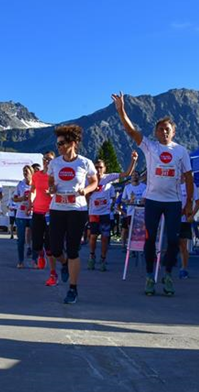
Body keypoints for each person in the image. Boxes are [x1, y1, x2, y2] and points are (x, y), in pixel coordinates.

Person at [113, 92, 193, 296]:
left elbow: (189, 178)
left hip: (174, 202)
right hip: (153, 201)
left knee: (174, 241)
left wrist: (189, 203)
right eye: (160, 129)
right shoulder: (150, 147)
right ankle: (150, 276)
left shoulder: (181, 151)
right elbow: (131, 131)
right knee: (150, 240)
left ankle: (167, 275)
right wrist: (121, 109)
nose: (164, 132)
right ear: (156, 133)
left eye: (167, 129)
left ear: (173, 132)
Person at [47, 125, 98, 304]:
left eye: (62, 143)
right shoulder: (54, 163)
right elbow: (51, 182)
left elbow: (94, 182)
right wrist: (51, 188)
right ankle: (64, 263)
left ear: (73, 143)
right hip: (57, 208)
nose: (59, 146)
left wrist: (86, 190)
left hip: (77, 210)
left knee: (74, 249)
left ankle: (73, 289)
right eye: (58, 143)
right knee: (54, 249)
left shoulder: (84, 163)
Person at [87, 152, 137, 271]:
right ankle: (92, 256)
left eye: (101, 167)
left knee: (105, 237)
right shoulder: (89, 179)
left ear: (105, 169)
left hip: (105, 214)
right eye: (96, 167)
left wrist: (133, 160)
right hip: (93, 213)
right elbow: (85, 194)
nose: (98, 169)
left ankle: (103, 259)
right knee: (93, 237)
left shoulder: (109, 177)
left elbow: (126, 174)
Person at [31, 152, 57, 285]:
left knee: (49, 245)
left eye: (50, 159)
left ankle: (53, 274)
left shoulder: (56, 175)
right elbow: (32, 190)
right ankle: (41, 256)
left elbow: (60, 191)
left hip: (51, 212)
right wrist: (30, 201)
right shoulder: (36, 175)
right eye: (45, 159)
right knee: (36, 243)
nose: (47, 161)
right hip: (37, 211)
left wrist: (52, 193)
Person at [177, 176, 199, 278]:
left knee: (183, 245)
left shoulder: (191, 185)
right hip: (172, 219)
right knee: (171, 244)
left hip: (184, 220)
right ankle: (166, 268)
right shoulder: (172, 183)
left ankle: (184, 268)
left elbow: (198, 203)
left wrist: (192, 215)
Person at [13, 165, 34, 268]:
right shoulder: (20, 185)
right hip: (21, 214)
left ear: (32, 173)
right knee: (20, 240)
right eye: (24, 172)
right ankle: (20, 261)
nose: (25, 173)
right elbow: (14, 199)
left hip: (33, 214)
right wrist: (22, 198)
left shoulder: (35, 184)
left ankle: (35, 260)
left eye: (27, 171)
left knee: (35, 238)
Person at [120, 172, 146, 244]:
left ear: (139, 176)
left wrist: (143, 201)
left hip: (141, 212)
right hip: (131, 212)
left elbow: (147, 198)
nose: (134, 177)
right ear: (131, 177)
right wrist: (128, 201)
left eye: (136, 175)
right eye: (133, 175)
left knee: (140, 230)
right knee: (131, 230)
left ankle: (140, 246)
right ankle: (131, 247)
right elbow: (123, 199)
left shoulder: (144, 186)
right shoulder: (127, 187)